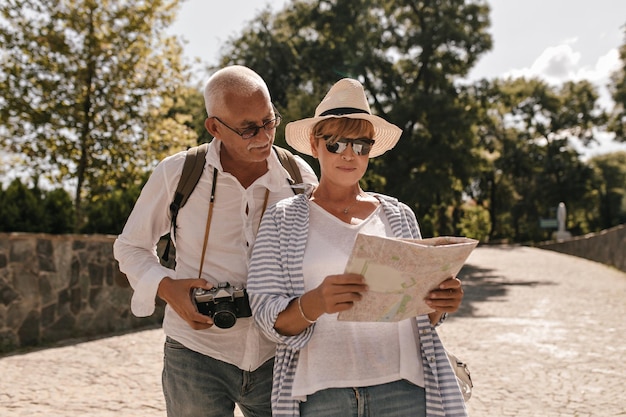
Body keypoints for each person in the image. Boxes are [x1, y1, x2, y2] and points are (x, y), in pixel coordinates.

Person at [247, 78, 468, 417]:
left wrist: (440, 303)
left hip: (405, 390)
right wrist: (316, 302)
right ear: (314, 143)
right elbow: (266, 317)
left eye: (362, 145)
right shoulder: (281, 220)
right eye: (336, 144)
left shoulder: (399, 215)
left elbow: (421, 315)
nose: (350, 155)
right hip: (321, 395)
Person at [113, 65, 318, 417]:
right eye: (248, 128)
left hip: (280, 353)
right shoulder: (177, 172)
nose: (264, 136)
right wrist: (166, 287)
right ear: (214, 127)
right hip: (195, 353)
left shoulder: (299, 176)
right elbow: (130, 246)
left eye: (269, 121)